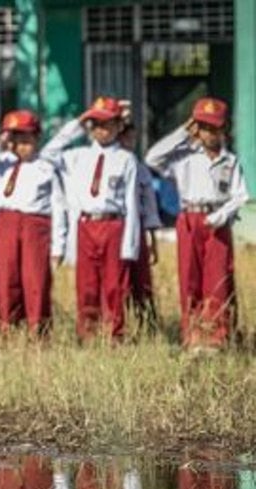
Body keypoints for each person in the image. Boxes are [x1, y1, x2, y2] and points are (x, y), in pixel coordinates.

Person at [145, 97, 250, 350]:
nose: (209, 133)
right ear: (196, 128)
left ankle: (216, 337)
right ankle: (192, 335)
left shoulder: (230, 161)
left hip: (217, 221)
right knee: (189, 277)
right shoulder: (184, 158)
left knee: (217, 279)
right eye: (203, 127)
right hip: (189, 219)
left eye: (215, 127)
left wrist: (222, 215)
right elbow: (152, 158)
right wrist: (182, 132)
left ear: (225, 129)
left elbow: (241, 195)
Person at [43, 96, 141, 341]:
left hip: (113, 224)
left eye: (107, 124)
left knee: (114, 285)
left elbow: (131, 203)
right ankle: (87, 335)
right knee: (86, 284)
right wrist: (78, 123)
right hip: (86, 225)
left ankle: (115, 336)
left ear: (119, 126)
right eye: (95, 124)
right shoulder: (77, 156)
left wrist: (130, 246)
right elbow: (48, 152)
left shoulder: (127, 159)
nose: (101, 129)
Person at [0, 110, 67, 336]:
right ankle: (7, 328)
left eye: (27, 138)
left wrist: (59, 246)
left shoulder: (46, 167)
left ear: (37, 138)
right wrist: (0, 145)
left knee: (35, 279)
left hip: (35, 223)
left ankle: (38, 331)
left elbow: (59, 208)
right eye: (16, 138)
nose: (22, 144)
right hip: (6, 222)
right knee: (5, 277)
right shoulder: (1, 161)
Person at [120, 121, 162, 329]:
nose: (130, 143)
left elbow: (150, 206)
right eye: (126, 138)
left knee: (141, 280)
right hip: (114, 229)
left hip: (137, 230)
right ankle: (117, 325)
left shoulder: (141, 169)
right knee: (118, 281)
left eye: (133, 138)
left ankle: (147, 325)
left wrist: (152, 240)